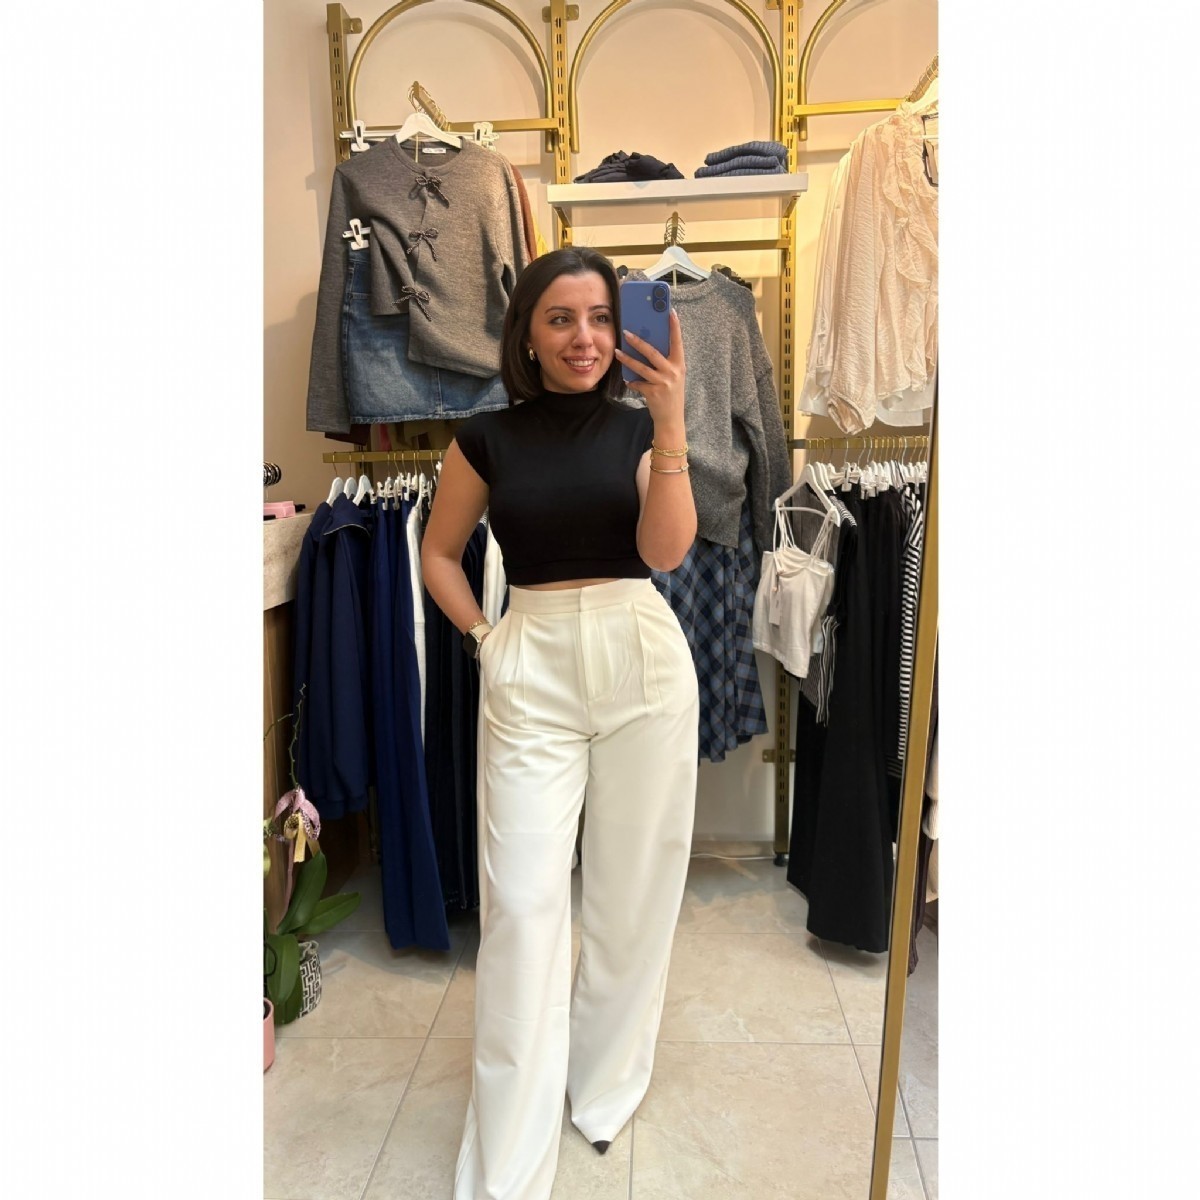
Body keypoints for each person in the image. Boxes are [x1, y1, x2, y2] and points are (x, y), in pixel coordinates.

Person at [421, 247, 700, 1200]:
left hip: (639, 659)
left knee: (632, 895)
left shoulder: (641, 426)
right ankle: (510, 1141)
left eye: (600, 317)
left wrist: (672, 424)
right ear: (528, 336)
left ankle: (604, 1087)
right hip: (528, 661)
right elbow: (439, 553)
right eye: (561, 319)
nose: (585, 338)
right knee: (524, 909)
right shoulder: (485, 438)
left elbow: (665, 550)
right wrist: (483, 639)